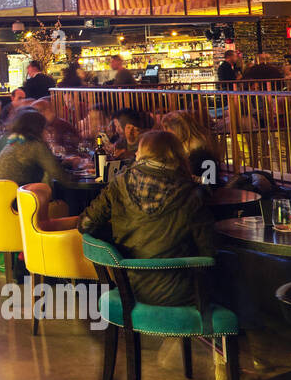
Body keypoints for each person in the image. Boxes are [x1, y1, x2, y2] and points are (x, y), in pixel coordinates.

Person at [78, 130, 217, 306]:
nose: (135, 153)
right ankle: (220, 328)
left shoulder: (119, 183)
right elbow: (208, 250)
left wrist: (117, 233)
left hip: (128, 285)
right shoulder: (192, 193)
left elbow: (85, 224)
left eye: (139, 149)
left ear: (146, 155)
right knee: (231, 263)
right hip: (179, 290)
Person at [0, 109, 65, 189]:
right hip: (16, 197)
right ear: (38, 128)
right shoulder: (34, 145)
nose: (46, 131)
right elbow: (59, 175)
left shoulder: (14, 142)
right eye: (44, 127)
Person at [160, 110, 221, 183]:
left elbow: (211, 182)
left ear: (179, 131)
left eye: (168, 132)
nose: (166, 137)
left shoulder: (202, 154)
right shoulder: (197, 147)